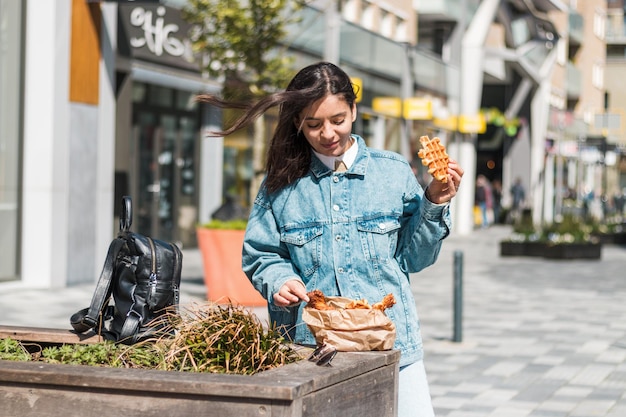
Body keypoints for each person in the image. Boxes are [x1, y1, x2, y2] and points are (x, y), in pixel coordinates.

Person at [198, 62, 464, 417]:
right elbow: (261, 254)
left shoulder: (393, 172)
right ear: (297, 123)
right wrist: (280, 279)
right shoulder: (282, 183)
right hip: (311, 352)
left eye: (338, 120)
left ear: (354, 110)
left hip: (389, 346)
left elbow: (414, 260)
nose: (327, 133)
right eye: (313, 124)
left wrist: (434, 201)